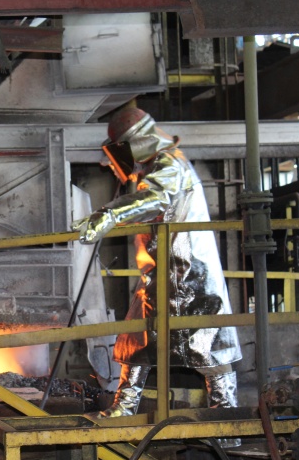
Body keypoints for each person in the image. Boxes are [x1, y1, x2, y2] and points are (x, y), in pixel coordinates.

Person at [73, 105, 242, 419]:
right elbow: (148, 200)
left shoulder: (170, 163)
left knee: (208, 348)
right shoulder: (154, 167)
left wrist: (108, 214)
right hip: (161, 273)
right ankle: (124, 408)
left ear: (135, 143)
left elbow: (156, 198)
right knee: (136, 339)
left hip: (190, 274)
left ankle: (227, 420)